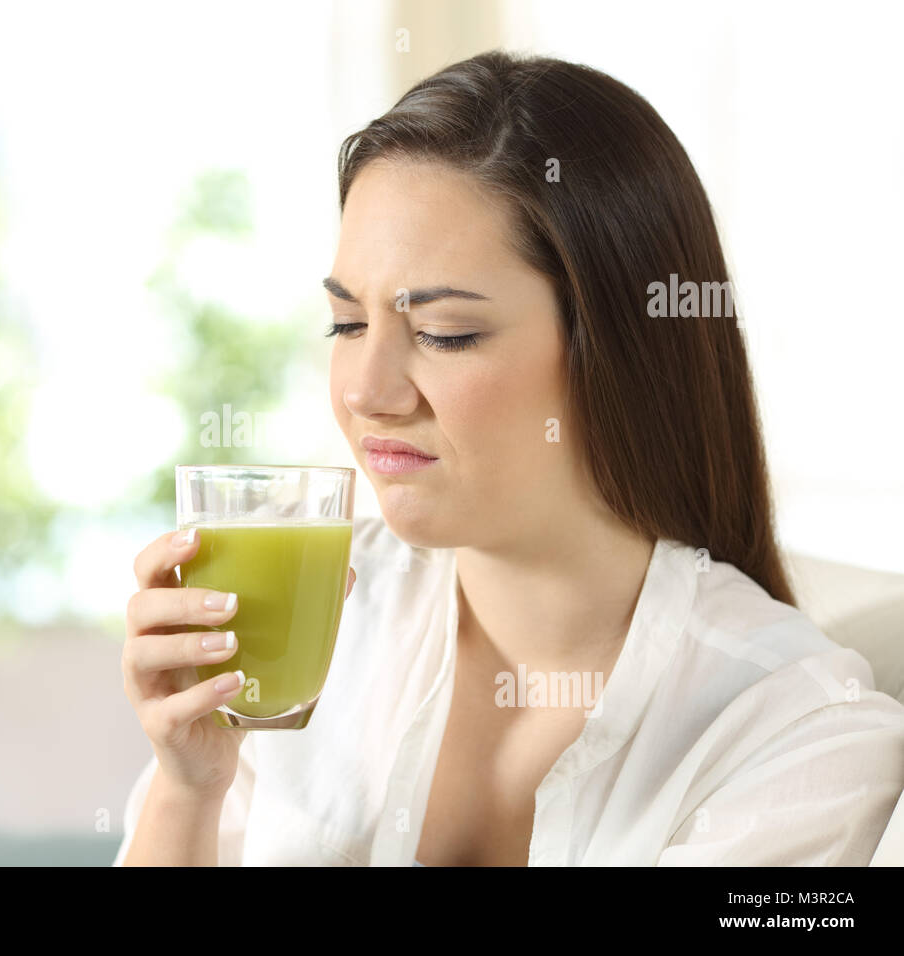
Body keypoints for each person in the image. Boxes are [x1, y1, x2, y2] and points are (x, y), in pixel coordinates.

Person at [113, 50, 904, 866]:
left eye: (444, 334)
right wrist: (189, 789)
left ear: (619, 352)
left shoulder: (796, 739)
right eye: (348, 325)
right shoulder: (323, 634)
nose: (367, 391)